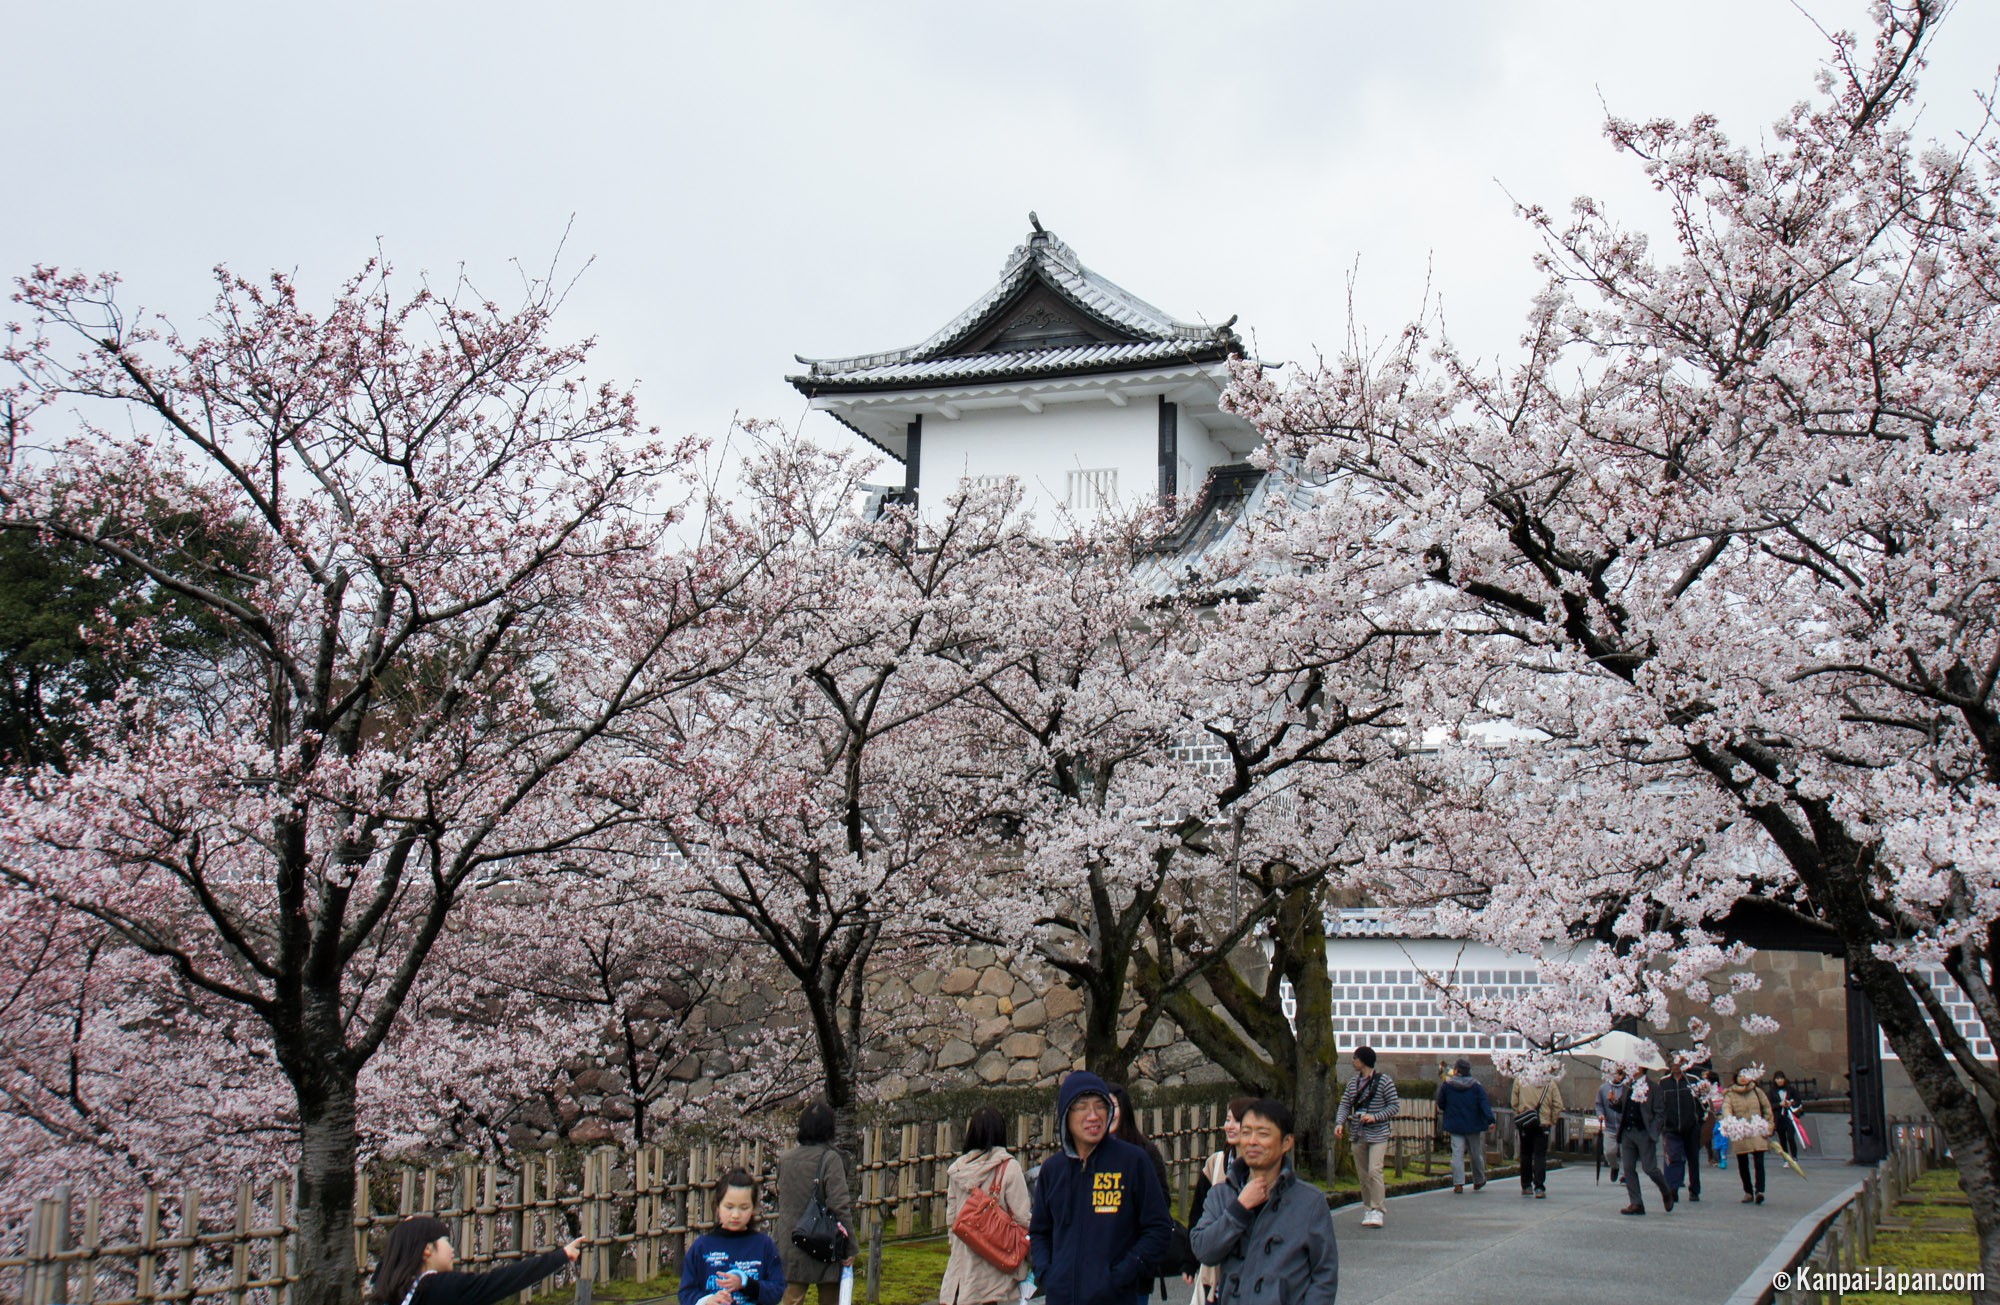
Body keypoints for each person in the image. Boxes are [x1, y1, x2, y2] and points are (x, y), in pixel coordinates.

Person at [1028, 1070, 1174, 1305]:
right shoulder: (1053, 1170)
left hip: (1115, 1297)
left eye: (1100, 1106)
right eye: (1082, 1107)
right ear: (1065, 1113)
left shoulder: (1133, 1162)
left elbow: (1158, 1228)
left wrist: (1121, 1275)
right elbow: (1040, 1232)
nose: (1093, 1115)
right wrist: (1047, 1273)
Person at [1190, 1098, 1338, 1305]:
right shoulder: (1222, 1194)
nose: (1252, 1141)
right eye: (1246, 1132)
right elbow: (1204, 1250)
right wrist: (1239, 1209)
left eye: (1263, 1134)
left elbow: (1324, 1273)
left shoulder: (1310, 1202)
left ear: (1287, 1142)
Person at [369, 1216, 581, 1305]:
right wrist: (559, 1256)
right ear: (427, 1250)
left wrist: (403, 1237)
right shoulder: (442, 1287)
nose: (452, 1250)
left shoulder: (393, 1290)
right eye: (445, 1241)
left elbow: (387, 1266)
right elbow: (503, 1280)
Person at [940, 1106, 1032, 1305]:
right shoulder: (1009, 1167)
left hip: (961, 1275)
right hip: (996, 1275)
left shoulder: (957, 1170)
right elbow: (1023, 1218)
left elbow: (952, 1219)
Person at [776, 1101, 855, 1305]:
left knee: (791, 1300)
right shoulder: (830, 1159)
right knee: (830, 1299)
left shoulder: (785, 1159)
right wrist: (850, 1247)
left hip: (792, 1238)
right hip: (824, 1240)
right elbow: (840, 1205)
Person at [1184, 1097, 1257, 1303]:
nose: (1229, 1126)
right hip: (1214, 1267)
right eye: (1227, 1120)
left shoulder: (1263, 1168)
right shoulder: (1215, 1163)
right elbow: (1197, 1214)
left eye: (1236, 1120)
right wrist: (1190, 1260)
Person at [682, 1169, 788, 1305]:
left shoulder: (764, 1245)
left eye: (744, 1208)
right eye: (729, 1207)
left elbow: (777, 1290)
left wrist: (746, 1284)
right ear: (717, 1207)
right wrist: (707, 1301)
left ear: (753, 1209)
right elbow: (686, 1293)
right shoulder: (702, 1247)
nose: (736, 1215)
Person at [1332, 1046, 1400, 1229]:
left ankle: (1378, 1208)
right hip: (1357, 1133)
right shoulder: (1353, 1083)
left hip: (1378, 1133)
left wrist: (1375, 1116)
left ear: (1363, 1060)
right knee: (1363, 1175)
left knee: (1374, 1170)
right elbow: (1345, 1104)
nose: (1353, 1061)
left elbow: (1394, 1105)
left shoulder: (1384, 1081)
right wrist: (1339, 1123)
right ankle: (1368, 1207)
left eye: (1355, 1058)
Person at [1608, 1069, 1675, 1216]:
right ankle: (1636, 1203)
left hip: (1644, 1132)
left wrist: (1654, 1131)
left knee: (1649, 1168)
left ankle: (1666, 1190)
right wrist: (1613, 1101)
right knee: (1628, 1168)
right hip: (1627, 1132)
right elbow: (1623, 1107)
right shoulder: (1628, 1086)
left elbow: (1659, 1112)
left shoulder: (1654, 1088)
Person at [1654, 1054, 1709, 1204]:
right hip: (1671, 1127)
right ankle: (1673, 1188)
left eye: (1679, 1062)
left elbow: (1703, 1101)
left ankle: (1694, 1190)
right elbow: (1659, 1104)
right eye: (1673, 1062)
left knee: (1693, 1159)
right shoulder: (1663, 1083)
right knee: (1673, 1158)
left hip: (1691, 1126)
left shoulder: (1693, 1081)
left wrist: (1698, 1119)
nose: (1676, 1065)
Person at [1438, 1058, 1494, 1194]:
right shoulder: (1476, 1086)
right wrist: (1490, 1120)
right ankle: (1479, 1179)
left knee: (1457, 1154)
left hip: (1455, 1124)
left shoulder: (1447, 1085)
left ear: (1456, 1070)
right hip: (1473, 1124)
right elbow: (1484, 1103)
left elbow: (1441, 1103)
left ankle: (1458, 1183)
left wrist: (1449, 1110)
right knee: (1475, 1153)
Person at [1723, 1068, 1775, 1204]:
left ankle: (1760, 1190)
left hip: (1757, 1129)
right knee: (1743, 1163)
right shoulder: (1730, 1094)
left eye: (1745, 1076)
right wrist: (1730, 1121)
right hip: (1741, 1131)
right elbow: (1726, 1108)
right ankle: (1748, 1191)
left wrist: (1769, 1125)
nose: (1743, 1078)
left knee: (1759, 1162)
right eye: (1740, 1076)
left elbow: (1767, 1108)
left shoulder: (1757, 1091)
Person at [1508, 1071, 1563, 1199]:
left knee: (1526, 1153)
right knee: (1540, 1155)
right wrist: (1552, 1120)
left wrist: (1519, 1115)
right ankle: (1539, 1187)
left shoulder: (1521, 1079)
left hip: (1526, 1122)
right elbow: (1558, 1104)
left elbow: (1514, 1102)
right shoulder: (1550, 1082)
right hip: (1543, 1124)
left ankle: (1526, 1185)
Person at [1594, 1065, 1626, 1183]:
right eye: (1615, 1073)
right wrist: (1600, 1114)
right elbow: (1599, 1104)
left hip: (1624, 1127)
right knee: (1609, 1152)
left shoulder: (1626, 1088)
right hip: (1610, 1126)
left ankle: (1624, 1175)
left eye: (1620, 1074)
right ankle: (1615, 1166)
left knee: (1625, 1153)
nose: (1617, 1076)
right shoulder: (1604, 1088)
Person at [1769, 1071, 1804, 1157]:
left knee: (1791, 1137)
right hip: (1779, 1118)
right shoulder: (1772, 1091)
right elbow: (1769, 1105)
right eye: (1777, 1078)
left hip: (1789, 1117)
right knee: (1782, 1139)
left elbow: (1798, 1101)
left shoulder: (1791, 1089)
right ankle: (1786, 1158)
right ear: (1774, 1080)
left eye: (1781, 1078)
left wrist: (1791, 1103)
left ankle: (1794, 1157)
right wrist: (1779, 1104)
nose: (1780, 1080)